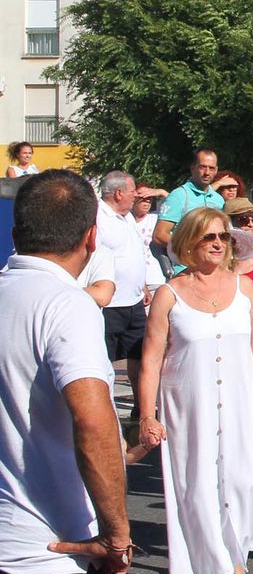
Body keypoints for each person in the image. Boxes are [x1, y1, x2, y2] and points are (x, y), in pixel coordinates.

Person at [0, 170, 132, 574]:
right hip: (53, 559)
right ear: (91, 237)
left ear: (16, 233)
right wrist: (117, 536)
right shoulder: (67, 306)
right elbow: (93, 420)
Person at [137, 206, 253, 574]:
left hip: (241, 401)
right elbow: (150, 359)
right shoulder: (169, 294)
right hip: (188, 404)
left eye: (223, 238)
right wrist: (147, 414)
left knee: (245, 483)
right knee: (194, 487)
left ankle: (236, 560)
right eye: (209, 237)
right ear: (188, 244)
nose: (218, 244)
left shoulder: (244, 287)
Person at [92, 172, 152, 414]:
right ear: (118, 193)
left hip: (134, 301)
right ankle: (102, 408)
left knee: (140, 354)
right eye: (132, 191)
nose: (136, 195)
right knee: (103, 359)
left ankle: (141, 405)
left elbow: (133, 254)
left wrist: (144, 284)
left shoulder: (127, 217)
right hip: (110, 304)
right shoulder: (98, 217)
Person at [153, 149, 223, 257]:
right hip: (186, 267)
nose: (207, 173)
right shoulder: (179, 196)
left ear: (216, 170)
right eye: (202, 167)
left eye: (211, 168)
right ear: (193, 168)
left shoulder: (218, 200)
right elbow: (159, 235)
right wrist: (191, 248)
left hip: (212, 267)